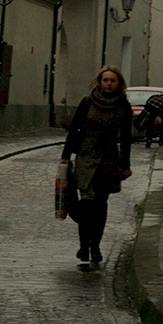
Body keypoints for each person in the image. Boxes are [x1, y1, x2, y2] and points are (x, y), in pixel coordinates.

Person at [61, 65, 133, 265]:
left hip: (109, 157)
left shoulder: (123, 106)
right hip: (87, 153)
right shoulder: (88, 102)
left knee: (100, 204)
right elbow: (74, 129)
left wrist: (125, 165)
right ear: (99, 82)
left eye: (112, 80)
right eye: (105, 80)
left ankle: (96, 246)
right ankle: (84, 246)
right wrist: (66, 155)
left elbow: (126, 138)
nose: (108, 84)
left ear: (119, 84)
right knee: (85, 203)